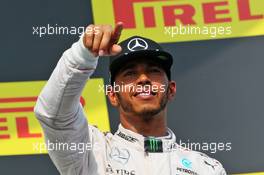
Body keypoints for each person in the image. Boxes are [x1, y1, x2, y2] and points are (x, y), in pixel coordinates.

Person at [34, 22, 226, 175]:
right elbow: (54, 116)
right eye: (130, 73)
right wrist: (82, 55)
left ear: (171, 90)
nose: (143, 79)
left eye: (154, 71)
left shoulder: (205, 168)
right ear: (113, 95)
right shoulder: (91, 151)